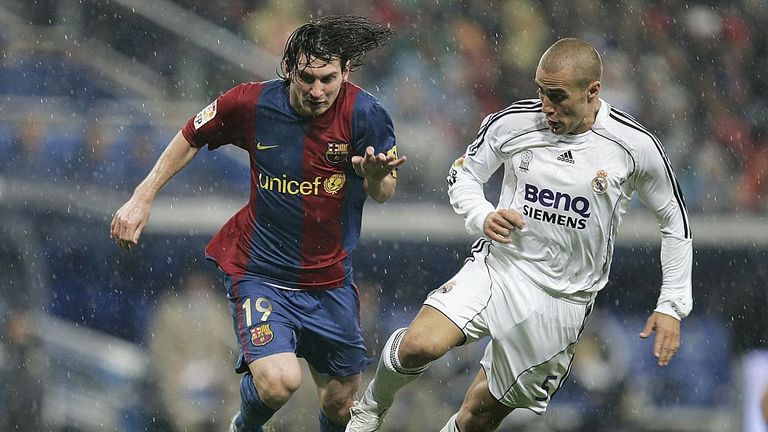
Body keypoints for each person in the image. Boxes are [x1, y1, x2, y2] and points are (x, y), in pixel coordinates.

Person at [346, 37, 692, 432]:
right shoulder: (512, 122)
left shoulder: (634, 146)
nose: (546, 106)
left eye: (558, 96)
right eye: (541, 92)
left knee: (477, 417)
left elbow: (675, 224)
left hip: (562, 302)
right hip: (500, 268)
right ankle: (369, 410)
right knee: (418, 345)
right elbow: (464, 174)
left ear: (593, 91)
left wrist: (671, 305)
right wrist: (482, 215)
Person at [110, 15, 405, 432]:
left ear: (346, 72)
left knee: (342, 406)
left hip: (330, 283)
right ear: (289, 70)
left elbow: (384, 190)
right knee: (279, 383)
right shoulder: (249, 104)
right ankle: (244, 425)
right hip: (261, 273)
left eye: (328, 78)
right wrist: (142, 196)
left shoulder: (367, 114)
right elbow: (190, 135)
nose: (317, 90)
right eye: (306, 78)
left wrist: (375, 175)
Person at [148, 270, 240, 432]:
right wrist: (186, 372)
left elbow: (231, 348)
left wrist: (215, 371)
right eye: (194, 284)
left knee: (237, 403)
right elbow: (162, 351)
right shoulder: (170, 311)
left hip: (218, 381)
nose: (199, 290)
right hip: (180, 379)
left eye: (203, 284)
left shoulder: (220, 311)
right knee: (186, 415)